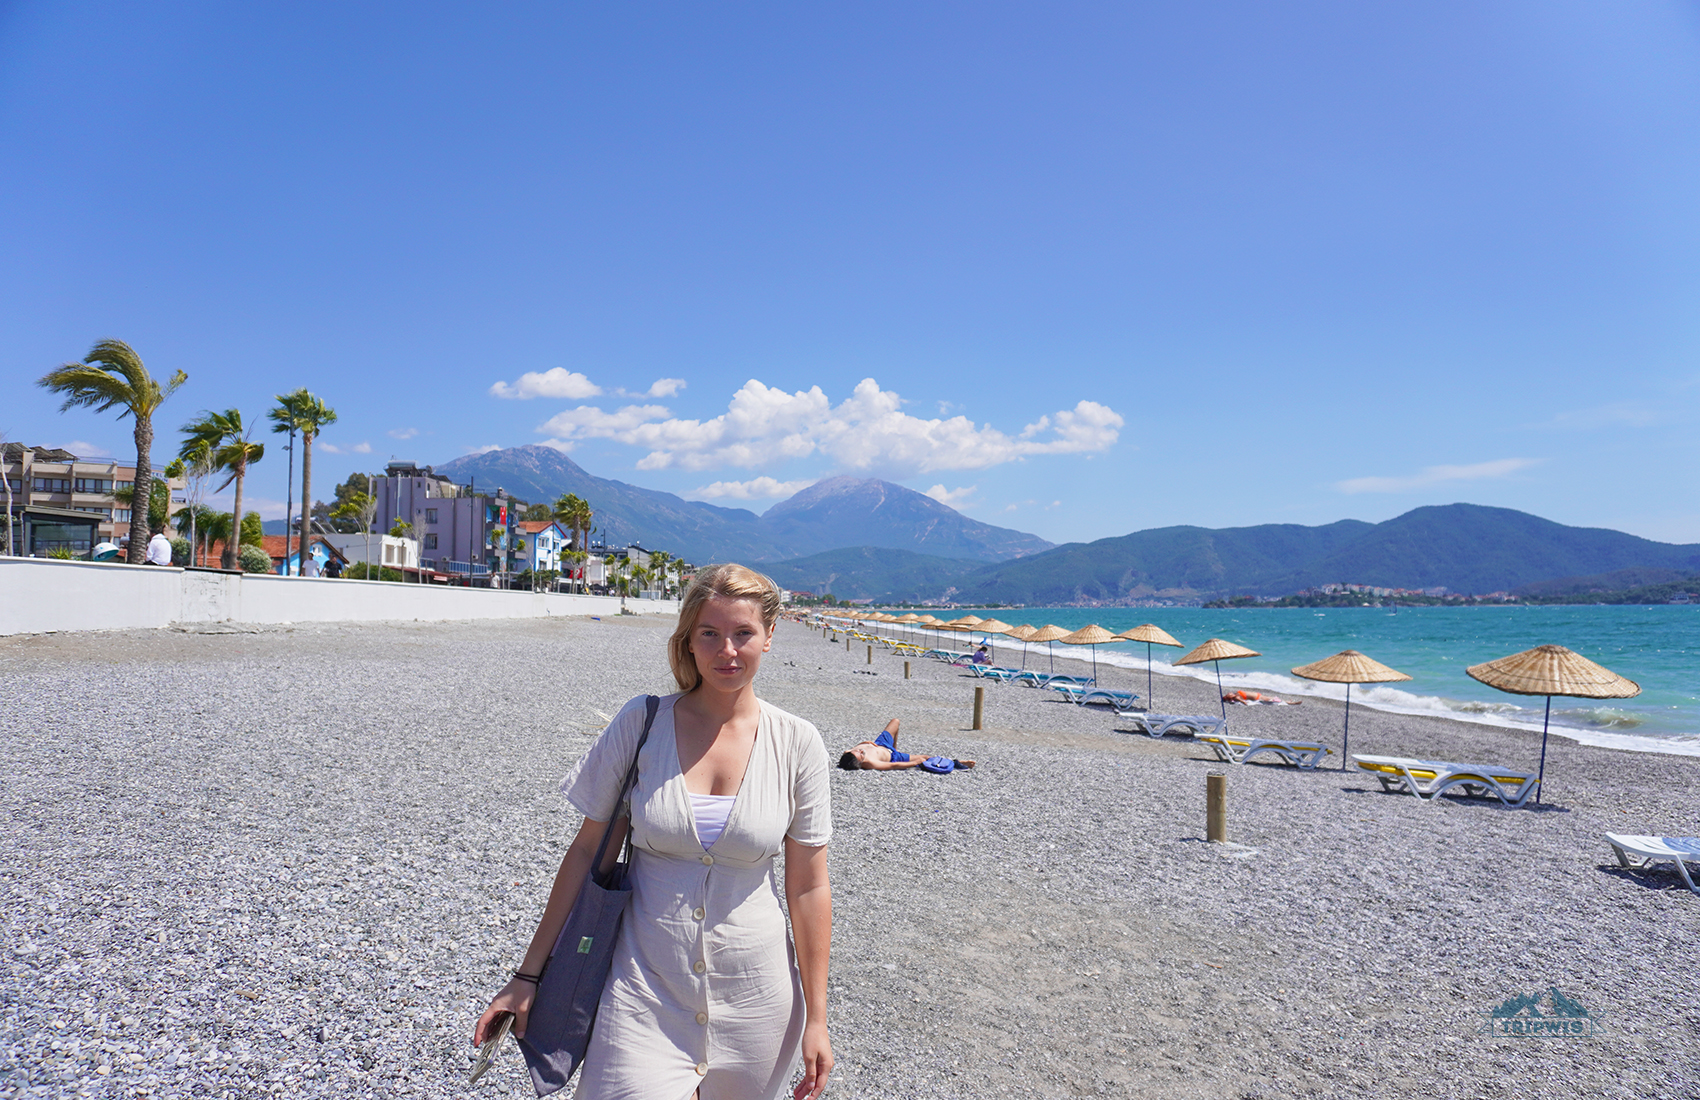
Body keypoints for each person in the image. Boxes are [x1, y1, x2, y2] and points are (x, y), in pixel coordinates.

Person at [474, 563, 834, 1100]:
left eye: (743, 633)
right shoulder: (641, 724)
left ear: (770, 635)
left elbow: (808, 888)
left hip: (757, 996)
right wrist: (528, 976)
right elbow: (583, 854)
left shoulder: (798, 742)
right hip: (641, 988)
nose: (726, 650)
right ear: (688, 638)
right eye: (709, 633)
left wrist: (817, 1018)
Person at [837, 719, 976, 772]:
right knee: (926, 757)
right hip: (893, 756)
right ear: (861, 762)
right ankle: (956, 763)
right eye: (861, 754)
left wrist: (865, 744)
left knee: (895, 721)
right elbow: (893, 766)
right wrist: (915, 762)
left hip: (881, 743)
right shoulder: (871, 763)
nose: (861, 751)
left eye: (857, 751)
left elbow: (851, 750)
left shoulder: (848, 754)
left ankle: (896, 747)